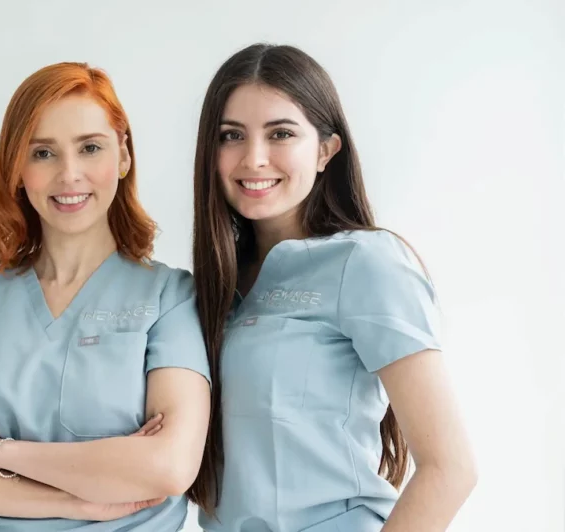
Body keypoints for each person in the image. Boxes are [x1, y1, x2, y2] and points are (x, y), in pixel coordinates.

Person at [0, 62, 212, 531]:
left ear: (123, 156)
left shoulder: (169, 296)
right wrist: (77, 502)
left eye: (90, 148)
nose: (69, 174)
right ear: (17, 168)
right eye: (43, 153)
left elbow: (168, 467)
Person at [189, 43, 478, 532]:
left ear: (326, 150)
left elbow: (451, 469)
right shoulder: (212, 285)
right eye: (231, 135)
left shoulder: (366, 263)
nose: (253, 158)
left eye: (281, 133)